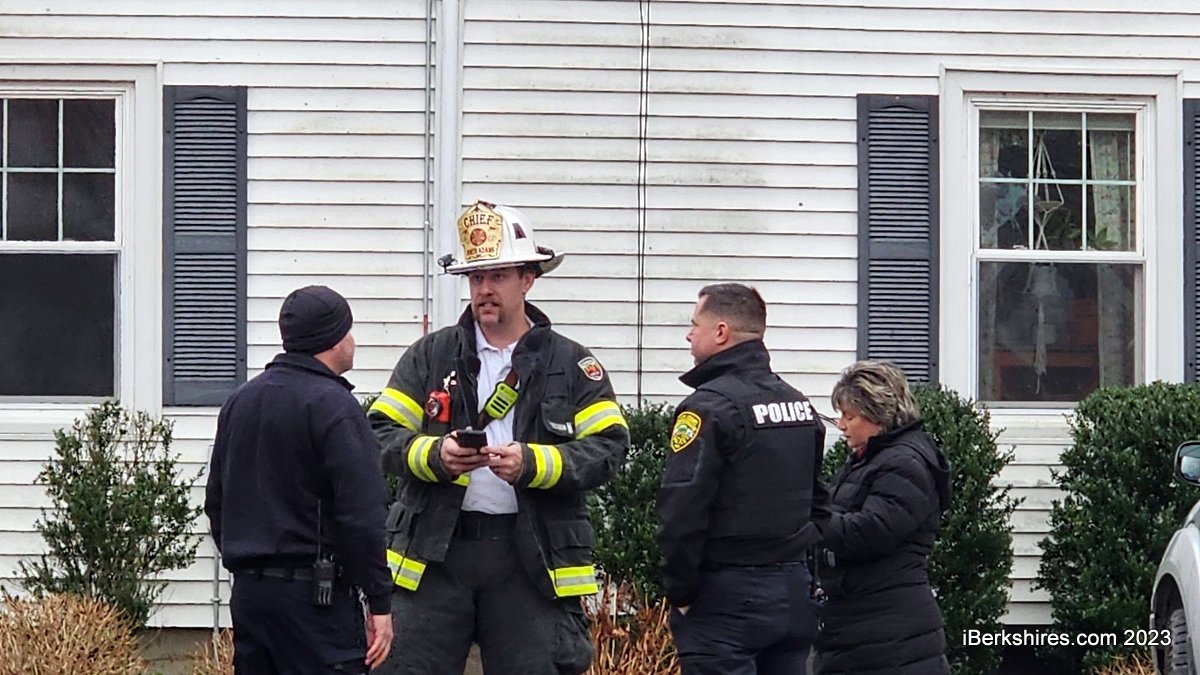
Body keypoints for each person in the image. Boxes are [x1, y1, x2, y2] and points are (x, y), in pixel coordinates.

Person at [368, 200, 629, 675]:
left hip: (531, 561)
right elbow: (380, 433)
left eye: (498, 276)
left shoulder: (572, 364)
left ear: (528, 280)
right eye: (475, 278)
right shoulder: (431, 356)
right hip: (434, 555)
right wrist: (436, 455)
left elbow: (608, 447)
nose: (484, 289)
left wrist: (532, 464)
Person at [205, 285, 394, 674]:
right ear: (333, 338)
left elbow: (217, 502)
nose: (353, 342)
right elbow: (362, 515)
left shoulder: (241, 401)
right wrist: (379, 600)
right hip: (315, 602)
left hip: (251, 597)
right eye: (348, 331)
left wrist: (249, 562)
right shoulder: (335, 406)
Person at [655, 283, 828, 675]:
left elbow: (681, 509)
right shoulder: (799, 405)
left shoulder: (708, 407)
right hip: (793, 592)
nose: (688, 335)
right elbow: (818, 503)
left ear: (721, 332)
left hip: (727, 597)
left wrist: (681, 592)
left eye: (694, 324)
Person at [813, 359, 952, 675]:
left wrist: (810, 515)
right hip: (864, 628)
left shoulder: (904, 464)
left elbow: (869, 532)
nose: (841, 425)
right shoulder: (870, 459)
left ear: (878, 415)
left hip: (890, 636)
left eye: (850, 416)